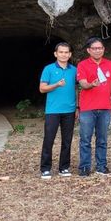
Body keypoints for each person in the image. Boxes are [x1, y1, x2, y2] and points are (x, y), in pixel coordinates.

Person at [76, 37, 111, 177]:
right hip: (87, 108)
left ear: (103, 49)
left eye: (100, 48)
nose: (98, 50)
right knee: (85, 139)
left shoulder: (109, 64)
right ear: (89, 50)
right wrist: (91, 84)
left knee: (102, 139)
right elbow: (82, 83)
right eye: (95, 48)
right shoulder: (82, 65)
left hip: (105, 107)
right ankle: (85, 167)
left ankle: (101, 166)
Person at [39, 42, 77, 179]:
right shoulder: (48, 69)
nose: (64, 54)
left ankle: (64, 167)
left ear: (70, 54)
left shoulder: (74, 70)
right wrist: (56, 84)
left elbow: (78, 88)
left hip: (70, 110)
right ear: (56, 54)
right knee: (49, 139)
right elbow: (42, 88)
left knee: (67, 140)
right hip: (53, 110)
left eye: (66, 52)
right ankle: (45, 168)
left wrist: (77, 107)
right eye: (61, 52)